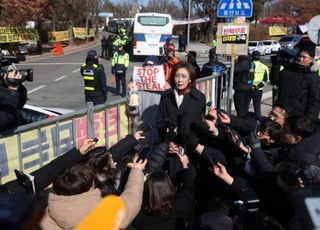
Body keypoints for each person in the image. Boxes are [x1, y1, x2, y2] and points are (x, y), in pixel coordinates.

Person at [133, 153, 194, 230]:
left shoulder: (140, 213)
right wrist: (185, 165)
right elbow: (189, 188)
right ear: (169, 187)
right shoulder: (180, 205)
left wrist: (135, 172)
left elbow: (131, 195)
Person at [157, 61, 206, 156]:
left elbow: (200, 125)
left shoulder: (199, 98)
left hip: (191, 150)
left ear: (190, 79)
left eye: (184, 76)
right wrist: (168, 142)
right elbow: (159, 123)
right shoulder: (165, 97)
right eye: (177, 76)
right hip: (169, 149)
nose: (180, 80)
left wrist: (192, 143)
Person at [277, 49, 320, 119]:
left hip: (298, 118)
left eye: (304, 57)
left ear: (311, 59)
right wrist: (277, 65)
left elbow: (314, 102)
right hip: (281, 114)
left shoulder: (313, 78)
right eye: (299, 56)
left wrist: (309, 121)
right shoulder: (287, 71)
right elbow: (276, 81)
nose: (300, 59)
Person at [250, 51, 269, 120]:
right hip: (258, 89)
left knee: (245, 107)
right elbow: (266, 79)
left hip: (249, 88)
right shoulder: (264, 66)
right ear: (259, 57)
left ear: (252, 56)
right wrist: (258, 86)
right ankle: (258, 121)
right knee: (257, 106)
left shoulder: (249, 65)